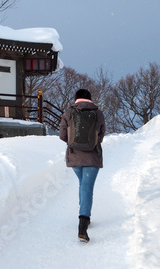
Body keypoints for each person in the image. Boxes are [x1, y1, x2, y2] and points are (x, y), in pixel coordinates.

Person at [59, 89, 106, 242]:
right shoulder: (98, 113)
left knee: (82, 185)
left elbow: (62, 136)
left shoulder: (69, 112)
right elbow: (101, 135)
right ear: (89, 99)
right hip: (92, 157)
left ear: (76, 98)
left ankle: (84, 214)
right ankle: (83, 224)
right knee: (86, 187)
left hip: (75, 156)